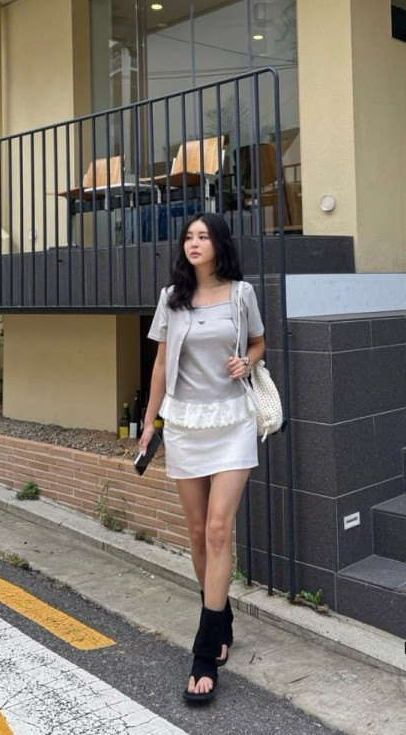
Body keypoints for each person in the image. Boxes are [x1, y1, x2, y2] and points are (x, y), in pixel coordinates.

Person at [139, 212, 265, 703]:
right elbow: (159, 364)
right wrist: (149, 423)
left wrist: (247, 361)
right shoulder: (172, 298)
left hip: (232, 421)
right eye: (189, 236)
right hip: (185, 424)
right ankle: (221, 614)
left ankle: (205, 649)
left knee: (217, 530)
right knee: (195, 533)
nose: (194, 243)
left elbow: (258, 342)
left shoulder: (241, 294)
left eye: (203, 236)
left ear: (219, 244)